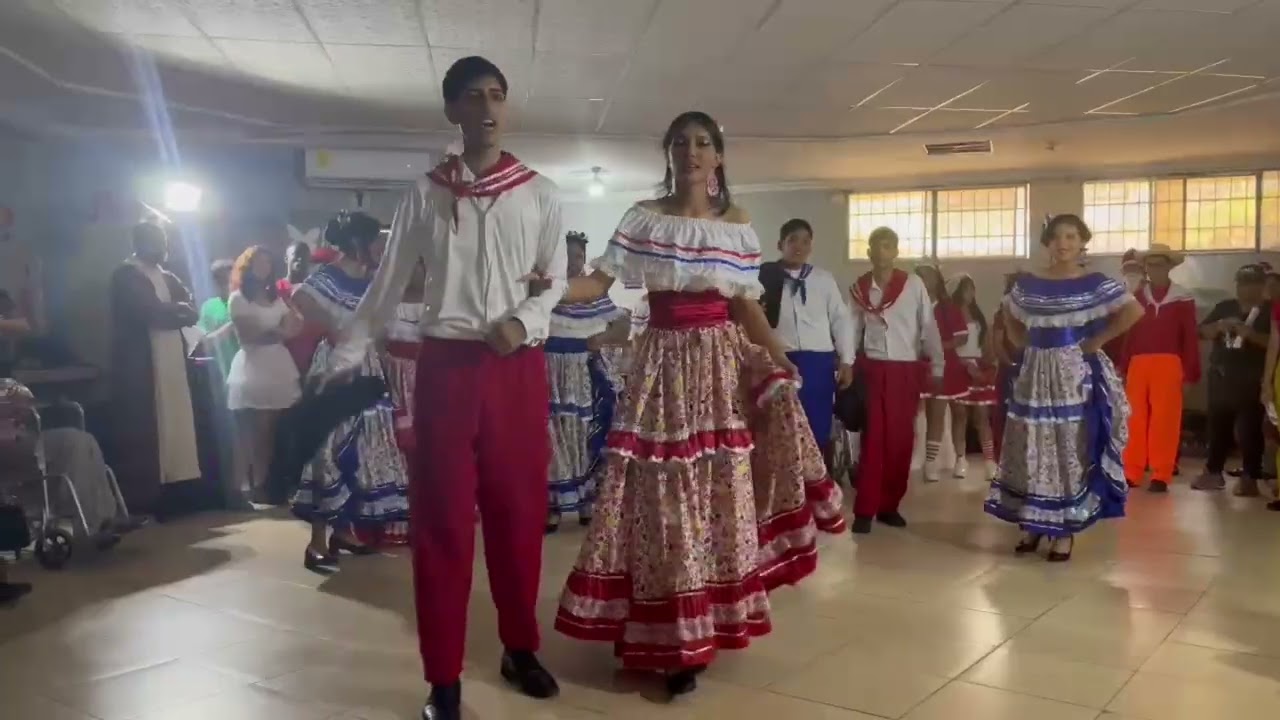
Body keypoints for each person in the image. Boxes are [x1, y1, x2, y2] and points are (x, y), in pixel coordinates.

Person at [550, 111, 845, 697]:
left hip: (718, 369)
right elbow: (597, 284)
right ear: (669, 152)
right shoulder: (644, 217)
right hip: (661, 365)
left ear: (718, 157)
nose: (692, 151)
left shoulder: (736, 224)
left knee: (715, 497)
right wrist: (542, 285)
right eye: (681, 142)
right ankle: (658, 629)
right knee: (658, 498)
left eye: (703, 142)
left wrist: (779, 354)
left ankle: (693, 632)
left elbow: (744, 305)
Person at [324, 57, 566, 720]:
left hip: (515, 370)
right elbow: (387, 284)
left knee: (519, 515)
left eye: (496, 95)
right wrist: (344, 352)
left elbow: (556, 279)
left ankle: (519, 646)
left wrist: (525, 320)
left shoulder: (541, 193)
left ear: (506, 107)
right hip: (446, 371)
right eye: (471, 97)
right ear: (452, 112)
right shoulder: (423, 195)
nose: (486, 107)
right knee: (442, 524)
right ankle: (443, 679)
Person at [986, 214, 1141, 562]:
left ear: (1082, 240)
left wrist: (1095, 341)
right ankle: (1034, 522)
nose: (1063, 243)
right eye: (1056, 237)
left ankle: (1064, 530)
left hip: (1073, 375)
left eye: (1071, 236)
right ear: (1047, 243)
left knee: (1067, 446)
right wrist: (1021, 341)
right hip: (1035, 373)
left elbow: (1133, 311)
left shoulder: (1095, 282)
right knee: (1031, 443)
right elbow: (1008, 313)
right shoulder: (1028, 283)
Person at [290, 212, 408, 569]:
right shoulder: (328, 277)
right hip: (338, 366)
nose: (380, 247)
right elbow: (301, 298)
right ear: (358, 242)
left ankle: (344, 530)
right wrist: (334, 328)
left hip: (367, 365)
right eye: (375, 241)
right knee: (331, 448)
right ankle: (315, 543)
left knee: (364, 446)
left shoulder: (373, 280)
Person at [847, 230, 944, 531]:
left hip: (905, 369)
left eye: (888, 245)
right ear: (869, 252)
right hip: (873, 369)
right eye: (876, 246)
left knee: (901, 441)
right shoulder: (860, 289)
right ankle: (865, 509)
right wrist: (846, 363)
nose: (882, 251)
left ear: (896, 251)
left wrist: (937, 365)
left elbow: (928, 326)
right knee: (873, 439)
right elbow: (850, 330)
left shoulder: (913, 285)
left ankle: (890, 505)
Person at [109, 221, 202, 515]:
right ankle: (149, 499)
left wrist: (179, 311)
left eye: (163, 241)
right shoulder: (126, 274)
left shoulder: (166, 275)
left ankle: (179, 490)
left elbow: (191, 307)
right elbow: (148, 311)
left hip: (173, 361)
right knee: (151, 430)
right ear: (139, 242)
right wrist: (178, 312)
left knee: (177, 426)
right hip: (144, 367)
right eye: (156, 241)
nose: (163, 247)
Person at [545, 231, 629, 533]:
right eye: (566, 256)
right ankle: (552, 506)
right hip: (550, 375)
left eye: (578, 257)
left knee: (585, 435)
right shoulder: (545, 292)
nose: (572, 262)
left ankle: (586, 503)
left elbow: (622, 325)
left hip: (584, 373)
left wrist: (602, 338)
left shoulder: (596, 295)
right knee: (553, 438)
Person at [759, 218, 855, 468]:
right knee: (782, 426)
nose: (799, 246)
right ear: (780, 244)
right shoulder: (763, 277)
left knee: (816, 425)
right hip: (780, 360)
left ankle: (816, 486)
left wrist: (847, 359)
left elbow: (841, 319)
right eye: (793, 240)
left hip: (818, 363)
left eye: (805, 241)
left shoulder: (823, 279)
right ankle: (785, 487)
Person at [226, 246, 303, 507]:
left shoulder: (276, 297)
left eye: (268, 263)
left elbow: (295, 326)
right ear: (247, 267)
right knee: (250, 431)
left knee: (271, 431)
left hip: (278, 366)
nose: (264, 268)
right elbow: (248, 334)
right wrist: (279, 331)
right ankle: (239, 487)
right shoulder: (238, 298)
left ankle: (262, 485)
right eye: (259, 263)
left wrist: (279, 330)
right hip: (253, 365)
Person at [1120, 244, 1199, 493]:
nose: (1155, 269)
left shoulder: (1182, 297)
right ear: (1146, 268)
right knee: (1134, 418)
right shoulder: (1136, 297)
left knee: (1165, 418)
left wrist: (1190, 370)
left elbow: (1189, 337)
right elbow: (1128, 335)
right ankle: (1132, 471)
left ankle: (1161, 473)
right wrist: (1123, 366)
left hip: (1169, 362)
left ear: (1169, 266)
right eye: (1151, 264)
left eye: (1160, 264)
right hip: (1138, 362)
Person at [1194, 264, 1272, 496]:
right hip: (1221, 375)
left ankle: (1250, 476)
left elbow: (1274, 343)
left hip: (1251, 378)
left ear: (1262, 286)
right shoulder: (1225, 307)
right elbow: (1199, 332)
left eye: (1253, 283)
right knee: (1217, 426)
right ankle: (1213, 472)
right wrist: (1218, 327)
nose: (1246, 289)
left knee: (1250, 429)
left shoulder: (1270, 311)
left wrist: (1252, 335)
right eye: (1242, 283)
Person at [914, 264, 967, 482]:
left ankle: (960, 458)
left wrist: (937, 346)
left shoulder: (948, 308)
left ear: (936, 280)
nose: (922, 280)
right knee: (933, 414)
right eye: (918, 276)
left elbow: (961, 337)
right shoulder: (912, 306)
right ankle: (931, 461)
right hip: (923, 367)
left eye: (926, 276)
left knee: (959, 415)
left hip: (950, 367)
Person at [950, 274, 999, 481]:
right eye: (965, 289)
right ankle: (960, 459)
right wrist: (960, 364)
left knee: (981, 416)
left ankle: (989, 460)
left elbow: (986, 343)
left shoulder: (978, 315)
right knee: (960, 415)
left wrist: (990, 363)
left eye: (972, 289)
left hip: (978, 368)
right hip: (957, 367)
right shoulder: (949, 314)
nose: (969, 294)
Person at [989, 271, 1022, 462]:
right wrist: (1010, 364)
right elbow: (997, 343)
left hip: (1030, 366)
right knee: (1005, 413)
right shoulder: (1003, 312)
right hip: (1009, 368)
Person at [197, 260, 238, 379]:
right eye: (222, 280)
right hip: (225, 375)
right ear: (215, 282)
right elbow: (204, 344)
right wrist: (231, 326)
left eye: (231, 280)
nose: (228, 284)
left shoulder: (249, 301)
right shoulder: (209, 307)